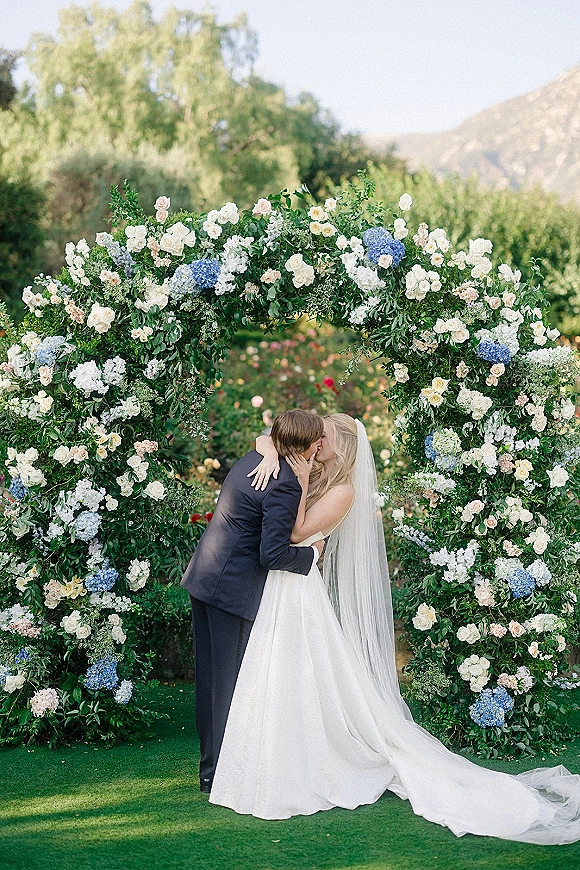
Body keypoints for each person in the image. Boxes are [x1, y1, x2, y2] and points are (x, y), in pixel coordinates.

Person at [208, 413, 580, 845]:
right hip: (286, 589)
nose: (316, 442)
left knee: (303, 670)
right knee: (286, 671)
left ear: (341, 445)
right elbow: (269, 436)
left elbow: (294, 532)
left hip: (298, 585)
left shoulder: (341, 490)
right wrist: (275, 450)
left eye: (324, 437)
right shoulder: (310, 467)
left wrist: (304, 479)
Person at [181, 409, 324, 793]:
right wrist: (312, 556)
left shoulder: (257, 457)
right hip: (231, 589)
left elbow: (264, 440)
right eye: (317, 440)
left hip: (206, 576)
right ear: (305, 446)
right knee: (227, 683)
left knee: (211, 681)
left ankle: (210, 768)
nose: (321, 445)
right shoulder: (283, 483)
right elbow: (272, 554)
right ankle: (219, 773)